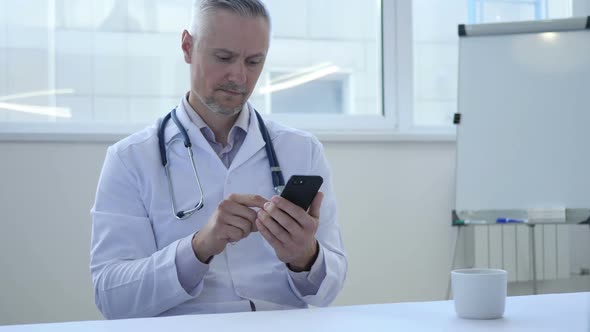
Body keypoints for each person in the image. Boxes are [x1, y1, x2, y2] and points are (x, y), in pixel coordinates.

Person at [90, 0, 347, 319]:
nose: (239, 76)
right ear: (187, 47)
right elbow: (112, 297)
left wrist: (305, 256)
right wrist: (198, 248)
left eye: (254, 61)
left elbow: (329, 290)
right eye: (224, 57)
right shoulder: (130, 159)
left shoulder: (302, 150)